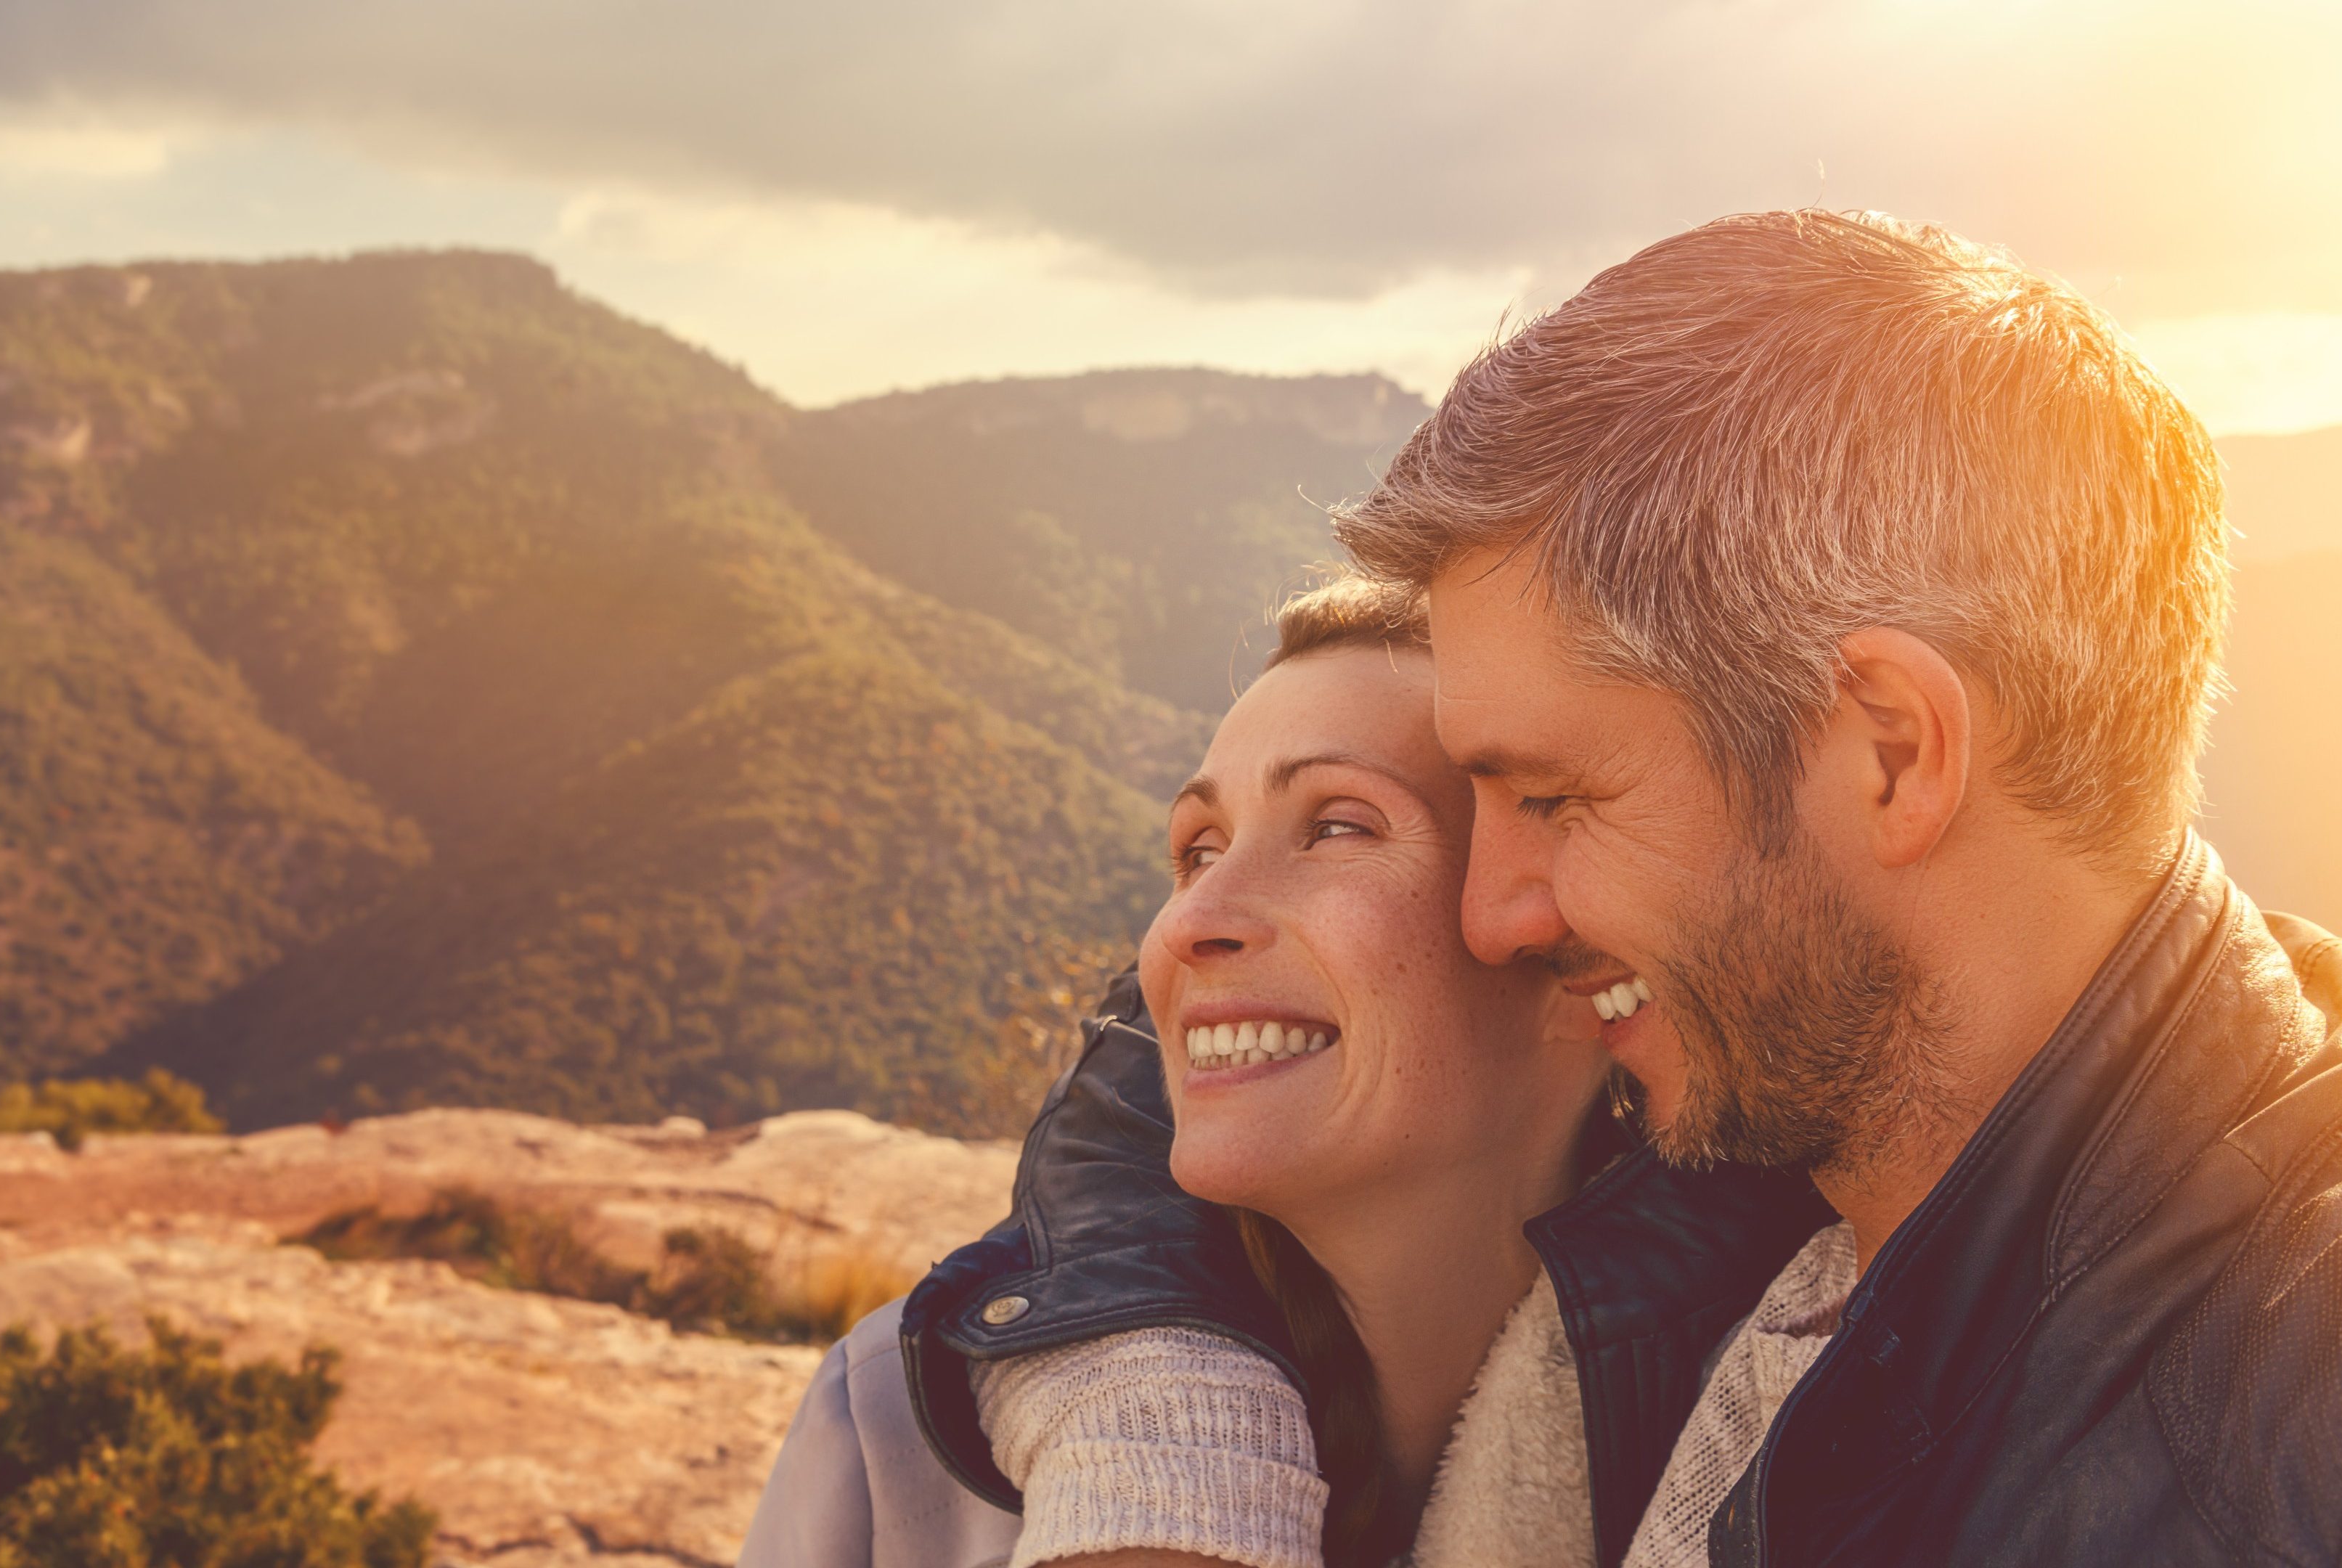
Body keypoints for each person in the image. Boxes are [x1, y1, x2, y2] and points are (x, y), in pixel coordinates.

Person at [900, 209, 2342, 1567]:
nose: (1498, 914)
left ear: (1893, 751)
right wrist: (1175, 1435)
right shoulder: (1796, 1183)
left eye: (1555, 796)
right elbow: (1196, 1013)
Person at [748, 579, 1807, 1567]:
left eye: (1339, 825)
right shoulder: (899, 1436)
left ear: (1570, 950)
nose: (1190, 925)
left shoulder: (1795, 1437)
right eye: (1198, 848)